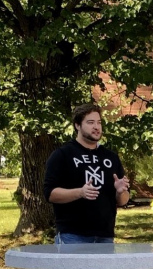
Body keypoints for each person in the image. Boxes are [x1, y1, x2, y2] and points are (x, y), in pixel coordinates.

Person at [43, 103, 130, 244]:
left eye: (99, 122)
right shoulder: (63, 155)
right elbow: (50, 193)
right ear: (77, 125)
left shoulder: (111, 157)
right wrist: (80, 192)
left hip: (105, 236)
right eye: (90, 122)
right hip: (72, 235)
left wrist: (120, 192)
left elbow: (123, 201)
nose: (96, 127)